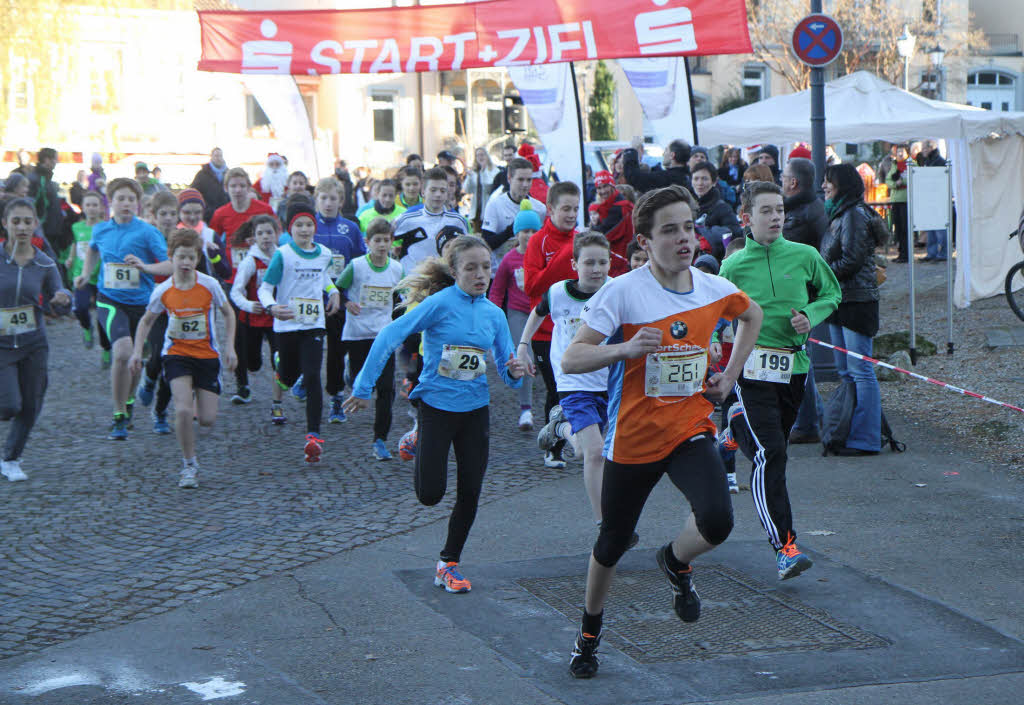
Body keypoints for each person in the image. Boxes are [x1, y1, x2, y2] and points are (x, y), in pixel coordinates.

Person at [560, 185, 762, 679]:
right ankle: (589, 631)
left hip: (689, 427)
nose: (684, 238)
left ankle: (675, 561)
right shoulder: (623, 291)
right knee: (612, 540)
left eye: (689, 227)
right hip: (633, 438)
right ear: (646, 242)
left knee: (718, 520)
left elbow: (751, 316)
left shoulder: (714, 289)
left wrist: (730, 376)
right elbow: (573, 357)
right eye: (669, 230)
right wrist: (623, 350)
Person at [342, 235, 527, 593]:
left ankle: (448, 563)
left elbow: (506, 371)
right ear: (454, 271)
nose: (480, 275)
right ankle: (418, 435)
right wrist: (363, 388)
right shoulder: (439, 304)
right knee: (430, 494)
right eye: (471, 268)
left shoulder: (493, 314)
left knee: (471, 490)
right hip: (436, 409)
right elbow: (388, 335)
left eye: (486, 267)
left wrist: (516, 371)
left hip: (475, 410)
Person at [717, 181, 841, 581]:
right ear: (746, 218)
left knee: (774, 448)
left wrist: (811, 314)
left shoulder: (804, 255)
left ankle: (734, 429)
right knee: (772, 455)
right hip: (750, 370)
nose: (776, 217)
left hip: (794, 369)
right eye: (767, 211)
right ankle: (785, 546)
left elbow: (831, 294)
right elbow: (713, 311)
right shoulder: (733, 266)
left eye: (780, 210)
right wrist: (717, 338)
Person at [519, 232, 619, 535]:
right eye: (589, 262)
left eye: (603, 262)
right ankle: (605, 523)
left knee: (598, 452)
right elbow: (536, 314)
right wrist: (523, 345)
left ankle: (559, 427)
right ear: (574, 264)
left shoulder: (616, 290)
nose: (597, 269)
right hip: (572, 380)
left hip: (609, 379)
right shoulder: (558, 293)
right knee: (593, 452)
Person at [130, 228, 236, 488]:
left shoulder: (209, 285)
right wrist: (136, 352)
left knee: (208, 419)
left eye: (191, 257)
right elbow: (146, 321)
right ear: (171, 258)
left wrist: (230, 348)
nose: (186, 263)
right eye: (181, 257)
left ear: (197, 259)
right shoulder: (164, 290)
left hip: (207, 356)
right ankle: (189, 465)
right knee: (183, 410)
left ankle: (206, 395)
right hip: (176, 355)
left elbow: (229, 314)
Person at [74, 178, 172, 440]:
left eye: (131, 199)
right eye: (121, 198)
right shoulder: (101, 230)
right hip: (110, 300)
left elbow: (169, 266)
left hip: (143, 304)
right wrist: (86, 273)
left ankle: (128, 401)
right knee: (123, 352)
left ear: (138, 204)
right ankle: (118, 414)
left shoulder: (148, 232)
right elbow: (93, 252)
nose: (126, 203)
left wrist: (145, 267)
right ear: (111, 202)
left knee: (136, 359)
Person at [257, 199, 341, 463]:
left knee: (314, 375)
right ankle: (282, 366)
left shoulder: (324, 253)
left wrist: (333, 291)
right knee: (289, 376)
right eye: (299, 225)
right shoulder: (283, 254)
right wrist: (271, 307)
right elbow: (264, 288)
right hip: (287, 323)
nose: (305, 230)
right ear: (290, 229)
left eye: (309, 225)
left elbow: (321, 275)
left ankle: (313, 437)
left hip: (314, 324)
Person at [0, 198, 71, 482]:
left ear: (35, 225)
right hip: (2, 345)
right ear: (5, 223)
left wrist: (61, 299)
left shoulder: (44, 262)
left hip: (33, 343)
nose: (21, 227)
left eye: (27, 222)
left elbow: (60, 295)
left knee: (31, 404)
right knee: (9, 405)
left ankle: (10, 459)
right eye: (16, 221)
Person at [820, 163, 883, 455]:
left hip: (857, 302)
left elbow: (852, 260)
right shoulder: (841, 213)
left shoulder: (854, 215)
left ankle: (866, 439)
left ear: (842, 185)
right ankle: (849, 432)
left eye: (828, 181)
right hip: (841, 300)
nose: (823, 186)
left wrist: (819, 275)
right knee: (846, 371)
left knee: (860, 371)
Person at [523, 181, 581, 468]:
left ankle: (581, 438)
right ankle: (553, 446)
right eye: (566, 209)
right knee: (556, 388)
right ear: (550, 209)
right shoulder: (538, 242)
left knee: (579, 387)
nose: (571, 215)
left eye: (576, 209)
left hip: (577, 329)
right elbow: (532, 287)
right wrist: (562, 257)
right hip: (545, 331)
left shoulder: (581, 240)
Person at [336, 218, 405, 459]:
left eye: (386, 240)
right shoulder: (356, 266)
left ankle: (380, 440)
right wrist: (347, 302)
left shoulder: (396, 269)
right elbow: (337, 287)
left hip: (383, 335)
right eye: (377, 240)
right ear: (367, 242)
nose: (382, 245)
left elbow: (403, 295)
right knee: (359, 382)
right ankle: (349, 374)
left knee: (386, 389)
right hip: (357, 333)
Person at [781, 157, 832, 444]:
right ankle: (814, 416)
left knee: (800, 358)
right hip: (804, 293)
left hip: (802, 296)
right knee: (800, 357)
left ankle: (808, 420)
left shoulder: (800, 215)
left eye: (784, 176)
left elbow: (783, 251)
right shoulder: (805, 209)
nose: (780, 180)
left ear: (793, 182)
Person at [308, 178, 365, 423]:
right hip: (312, 297)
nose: (328, 203)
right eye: (323, 198)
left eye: (333, 198)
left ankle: (335, 395)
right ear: (316, 200)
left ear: (341, 201)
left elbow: (360, 263)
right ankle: (302, 377)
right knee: (309, 348)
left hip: (340, 298)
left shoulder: (350, 229)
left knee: (336, 350)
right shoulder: (308, 227)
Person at [489, 203, 542, 431]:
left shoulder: (543, 257)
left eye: (533, 231)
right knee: (524, 357)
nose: (529, 236)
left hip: (541, 313)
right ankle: (526, 409)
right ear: (516, 233)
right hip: (518, 313)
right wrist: (490, 314)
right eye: (524, 231)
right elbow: (497, 290)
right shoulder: (509, 260)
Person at [229, 215, 286, 424]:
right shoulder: (249, 262)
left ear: (277, 234)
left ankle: (277, 404)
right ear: (253, 238)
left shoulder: (283, 256)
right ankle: (243, 384)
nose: (266, 237)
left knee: (279, 360)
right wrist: (248, 305)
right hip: (252, 318)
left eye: (269, 232)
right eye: (260, 233)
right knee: (252, 362)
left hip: (276, 318)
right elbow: (235, 292)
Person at [392, 167, 468, 273]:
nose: (438, 194)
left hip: (443, 282)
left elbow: (466, 251)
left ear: (447, 193)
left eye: (442, 191)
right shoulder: (407, 219)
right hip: (413, 282)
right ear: (423, 192)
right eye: (433, 190)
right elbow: (382, 239)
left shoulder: (458, 221)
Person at [67, 191, 111, 359]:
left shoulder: (106, 227)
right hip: (81, 275)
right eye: (88, 205)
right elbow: (75, 243)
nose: (91, 208)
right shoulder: (76, 227)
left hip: (101, 277)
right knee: (80, 308)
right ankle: (86, 327)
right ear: (83, 207)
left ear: (101, 208)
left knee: (102, 316)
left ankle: (106, 348)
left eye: (95, 205)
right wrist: (71, 258)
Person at [480, 157, 547, 257]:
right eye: (520, 179)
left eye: (529, 180)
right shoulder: (494, 205)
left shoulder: (540, 208)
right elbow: (486, 244)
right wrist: (511, 231)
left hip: (528, 266)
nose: (525, 185)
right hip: (500, 267)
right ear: (509, 178)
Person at [587, 171, 635, 263]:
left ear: (612, 186)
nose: (603, 191)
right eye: (599, 188)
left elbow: (601, 235)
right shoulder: (604, 206)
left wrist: (593, 225)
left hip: (619, 258)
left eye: (605, 186)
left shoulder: (619, 207)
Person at [691, 162, 742, 244]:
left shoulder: (723, 208)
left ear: (714, 182)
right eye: (696, 179)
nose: (699, 183)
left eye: (705, 179)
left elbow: (736, 233)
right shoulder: (687, 206)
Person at [622, 137, 691, 194]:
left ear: (672, 155)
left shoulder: (669, 178)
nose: (663, 154)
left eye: (666, 150)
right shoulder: (688, 177)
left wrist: (632, 150)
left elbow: (635, 178)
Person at [917, 140, 949, 262]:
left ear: (931, 148)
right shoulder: (928, 161)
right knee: (930, 227)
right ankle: (932, 253)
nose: (923, 150)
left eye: (924, 148)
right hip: (929, 199)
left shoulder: (940, 161)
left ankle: (944, 253)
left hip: (938, 199)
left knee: (940, 228)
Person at [26, 148, 64, 245]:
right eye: (55, 159)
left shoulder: (46, 178)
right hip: (45, 230)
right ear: (47, 160)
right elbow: (32, 204)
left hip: (52, 228)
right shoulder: (37, 179)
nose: (57, 162)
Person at [463, 147, 500, 232]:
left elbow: (489, 189)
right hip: (476, 210)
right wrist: (469, 177)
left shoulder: (494, 171)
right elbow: (467, 190)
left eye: (482, 155)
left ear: (487, 156)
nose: (480, 157)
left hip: (488, 209)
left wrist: (484, 172)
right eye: (477, 155)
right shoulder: (474, 172)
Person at [885, 144, 910, 263]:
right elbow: (888, 180)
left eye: (902, 151)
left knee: (905, 228)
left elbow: (913, 178)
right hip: (895, 200)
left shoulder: (911, 164)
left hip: (906, 200)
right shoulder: (894, 165)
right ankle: (901, 253)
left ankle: (907, 253)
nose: (900, 154)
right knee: (898, 229)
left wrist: (902, 181)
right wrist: (896, 184)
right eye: (898, 151)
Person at [190, 148, 229, 222]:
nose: (218, 158)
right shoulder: (202, 174)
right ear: (211, 157)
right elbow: (194, 192)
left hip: (226, 215)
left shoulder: (228, 174)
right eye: (216, 156)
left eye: (220, 156)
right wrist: (205, 209)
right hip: (207, 216)